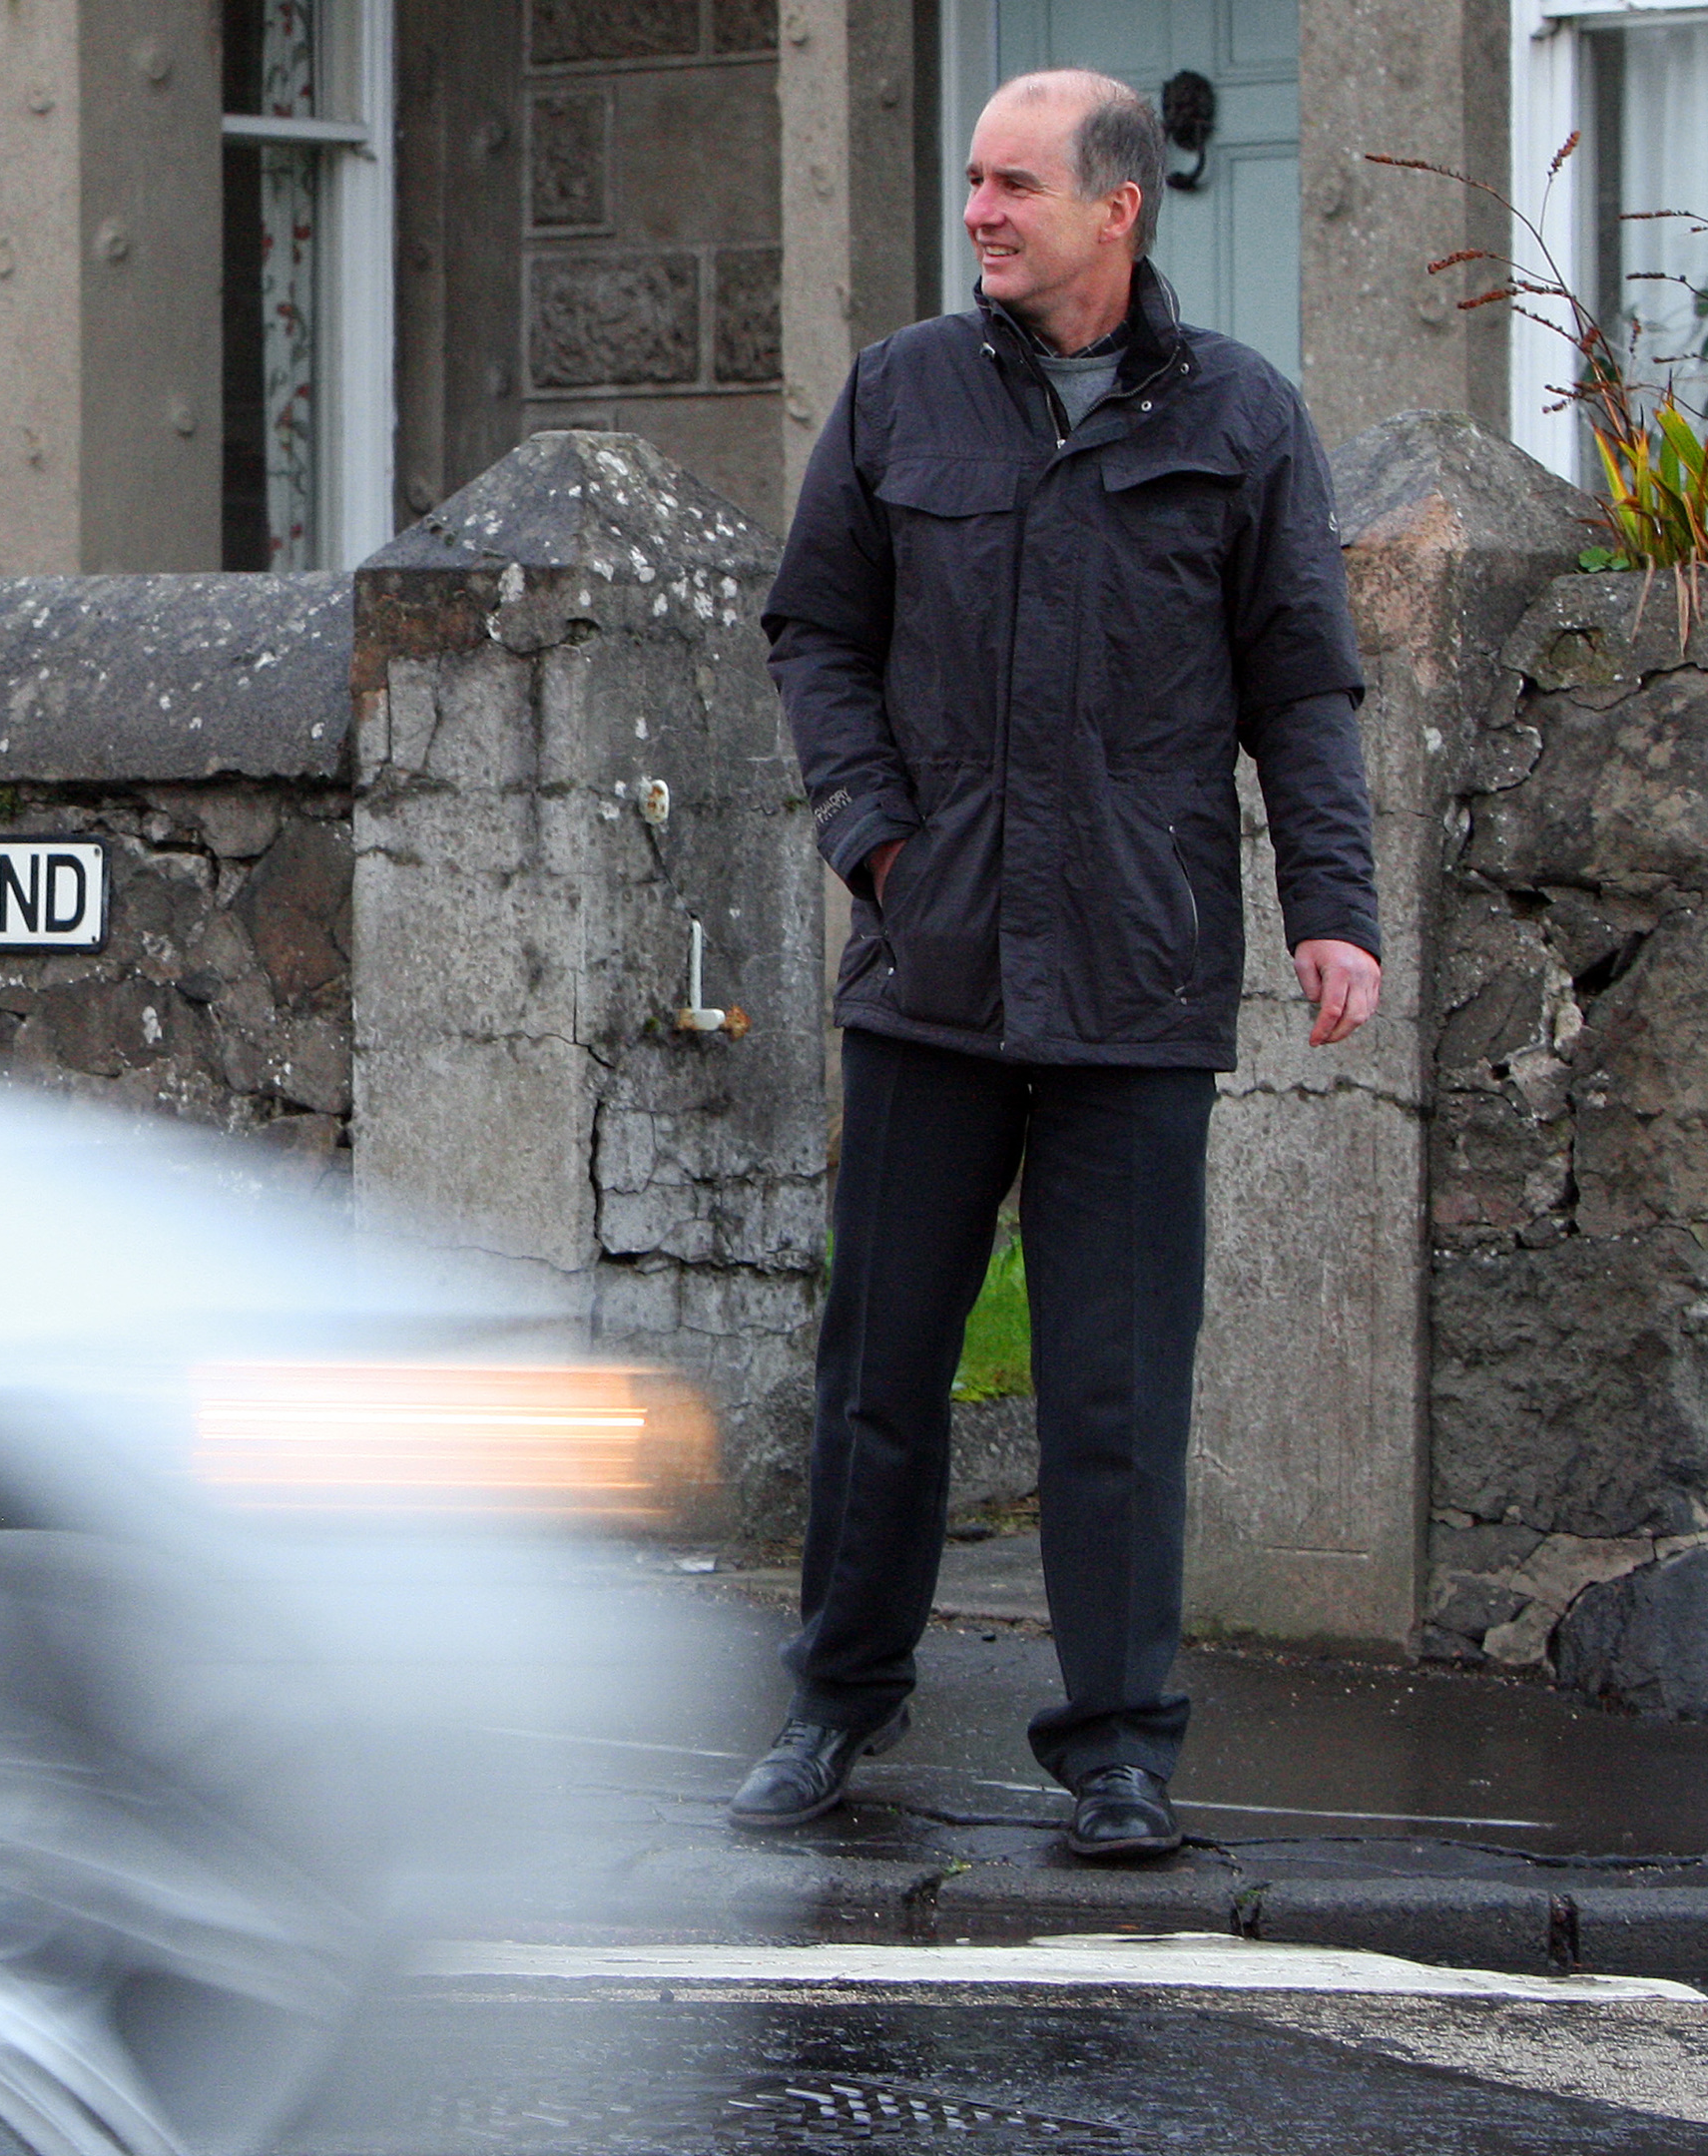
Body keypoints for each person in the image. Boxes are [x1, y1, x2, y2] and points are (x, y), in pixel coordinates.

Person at [740, 68, 1380, 1860]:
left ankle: (1116, 1752)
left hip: (1136, 982)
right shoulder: (900, 394)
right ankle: (830, 1711)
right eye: (969, 180)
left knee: (1112, 1393)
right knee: (880, 1372)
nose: (977, 213)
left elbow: (1303, 688)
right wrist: (871, 832)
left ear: (1118, 207)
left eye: (1012, 184)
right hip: (929, 976)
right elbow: (817, 632)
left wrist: (1338, 908)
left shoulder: (1243, 418)